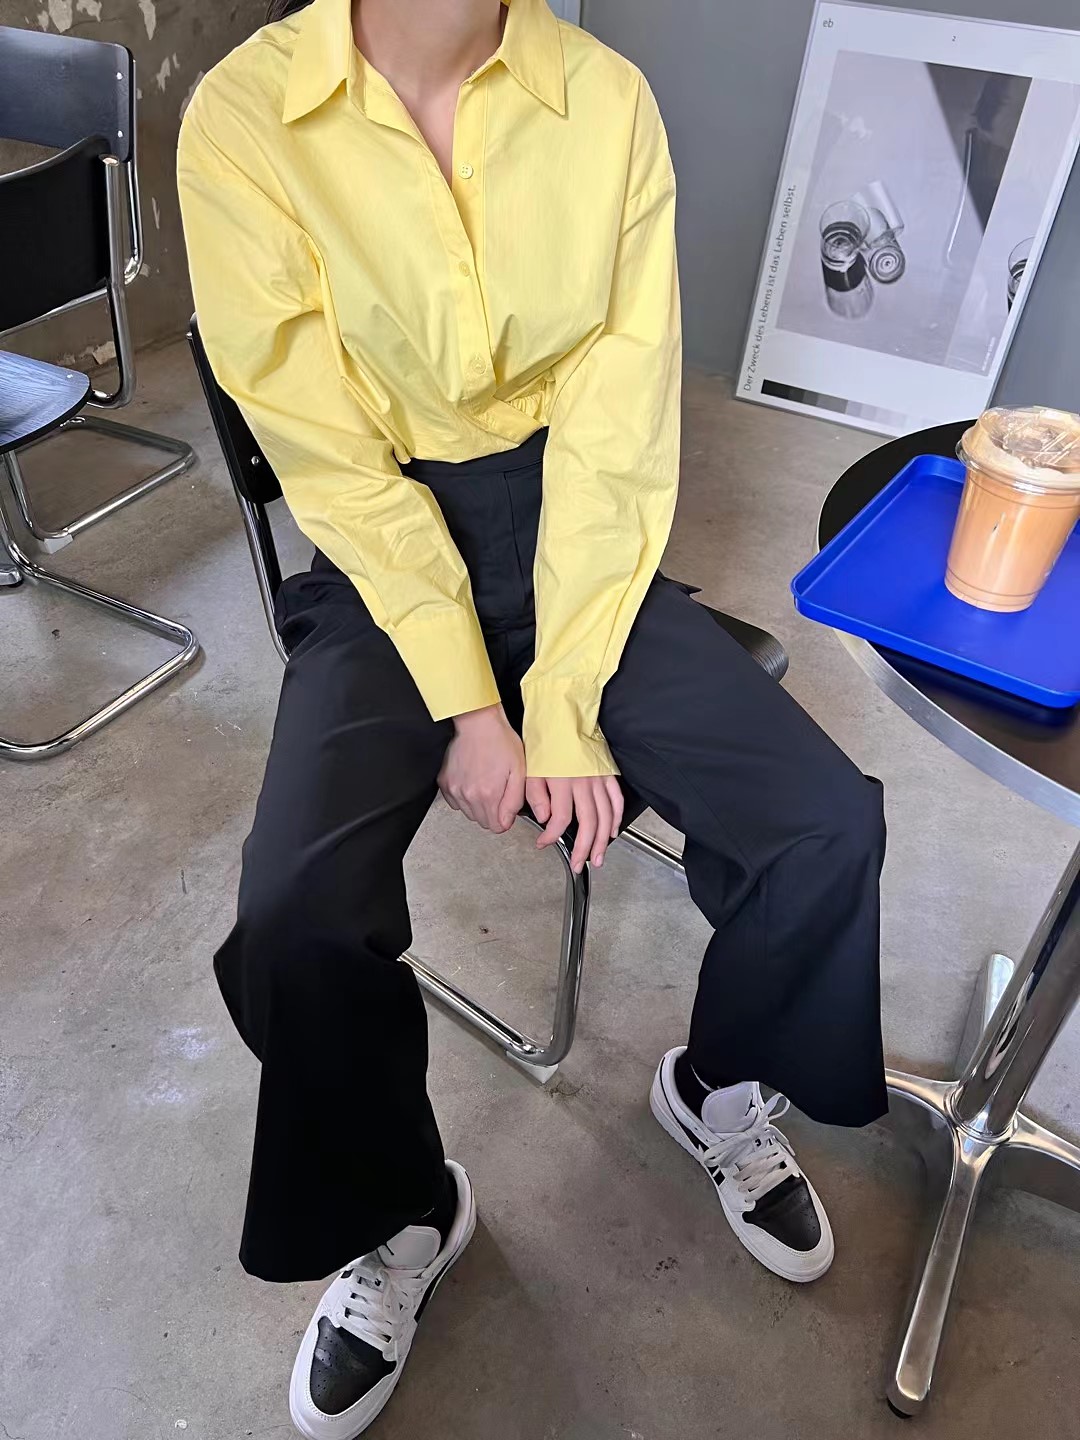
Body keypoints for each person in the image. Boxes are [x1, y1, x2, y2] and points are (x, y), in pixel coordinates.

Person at [177, 0, 888, 1434]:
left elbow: (620, 427)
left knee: (826, 825)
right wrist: (466, 699)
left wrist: (559, 703)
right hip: (382, 543)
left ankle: (717, 1084)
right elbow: (326, 455)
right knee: (294, 914)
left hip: (576, 523)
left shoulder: (607, 102)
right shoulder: (244, 118)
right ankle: (402, 1212)